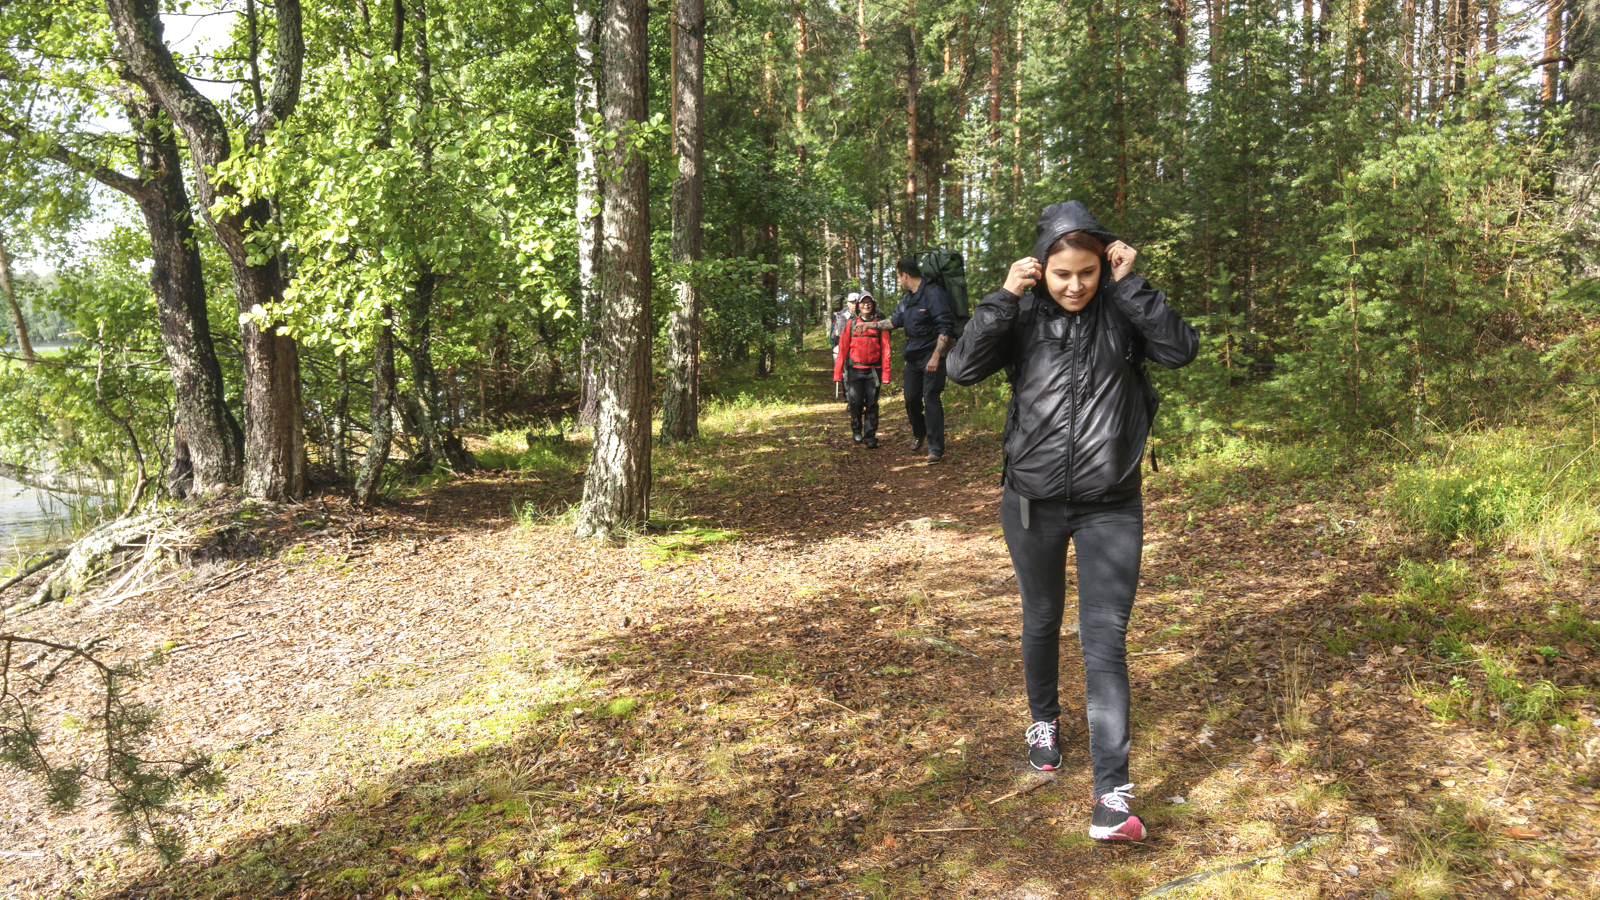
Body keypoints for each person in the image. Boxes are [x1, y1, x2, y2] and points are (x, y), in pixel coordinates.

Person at [946, 201, 1199, 843]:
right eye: (1062, 273)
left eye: (1087, 272)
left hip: (1110, 503)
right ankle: (1044, 721)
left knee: (1104, 639)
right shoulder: (1024, 315)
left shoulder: (1123, 310)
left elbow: (1180, 350)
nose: (1076, 285)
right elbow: (961, 368)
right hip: (1030, 501)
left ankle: (1112, 796)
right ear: (1041, 268)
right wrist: (1005, 296)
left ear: (1103, 266)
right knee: (1041, 616)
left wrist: (1132, 285)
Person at [887, 257, 956, 462]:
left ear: (904, 275)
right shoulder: (907, 298)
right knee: (910, 398)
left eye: (898, 276)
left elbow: (945, 327)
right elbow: (894, 321)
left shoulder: (933, 293)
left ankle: (935, 449)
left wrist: (936, 357)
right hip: (912, 355)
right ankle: (920, 431)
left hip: (931, 354)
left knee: (931, 398)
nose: (898, 280)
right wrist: (868, 326)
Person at [833, 293, 891, 447]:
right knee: (855, 403)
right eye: (863, 302)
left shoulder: (880, 325)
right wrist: (838, 373)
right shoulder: (851, 324)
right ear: (858, 306)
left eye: (869, 302)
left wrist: (886, 374)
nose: (866, 305)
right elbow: (842, 349)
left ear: (873, 305)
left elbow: (886, 350)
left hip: (873, 371)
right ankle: (856, 430)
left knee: (872, 404)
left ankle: (870, 437)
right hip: (855, 371)